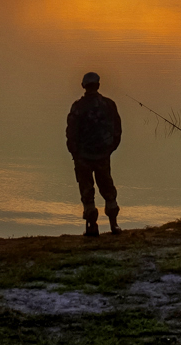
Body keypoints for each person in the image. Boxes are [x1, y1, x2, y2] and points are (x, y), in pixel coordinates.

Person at [66, 71, 122, 237]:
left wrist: (75, 153)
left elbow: (71, 133)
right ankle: (114, 225)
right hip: (103, 154)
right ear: (98, 85)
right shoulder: (109, 104)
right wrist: (110, 149)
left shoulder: (77, 107)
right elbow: (117, 130)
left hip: (83, 156)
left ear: (83, 86)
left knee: (86, 190)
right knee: (108, 188)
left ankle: (91, 226)